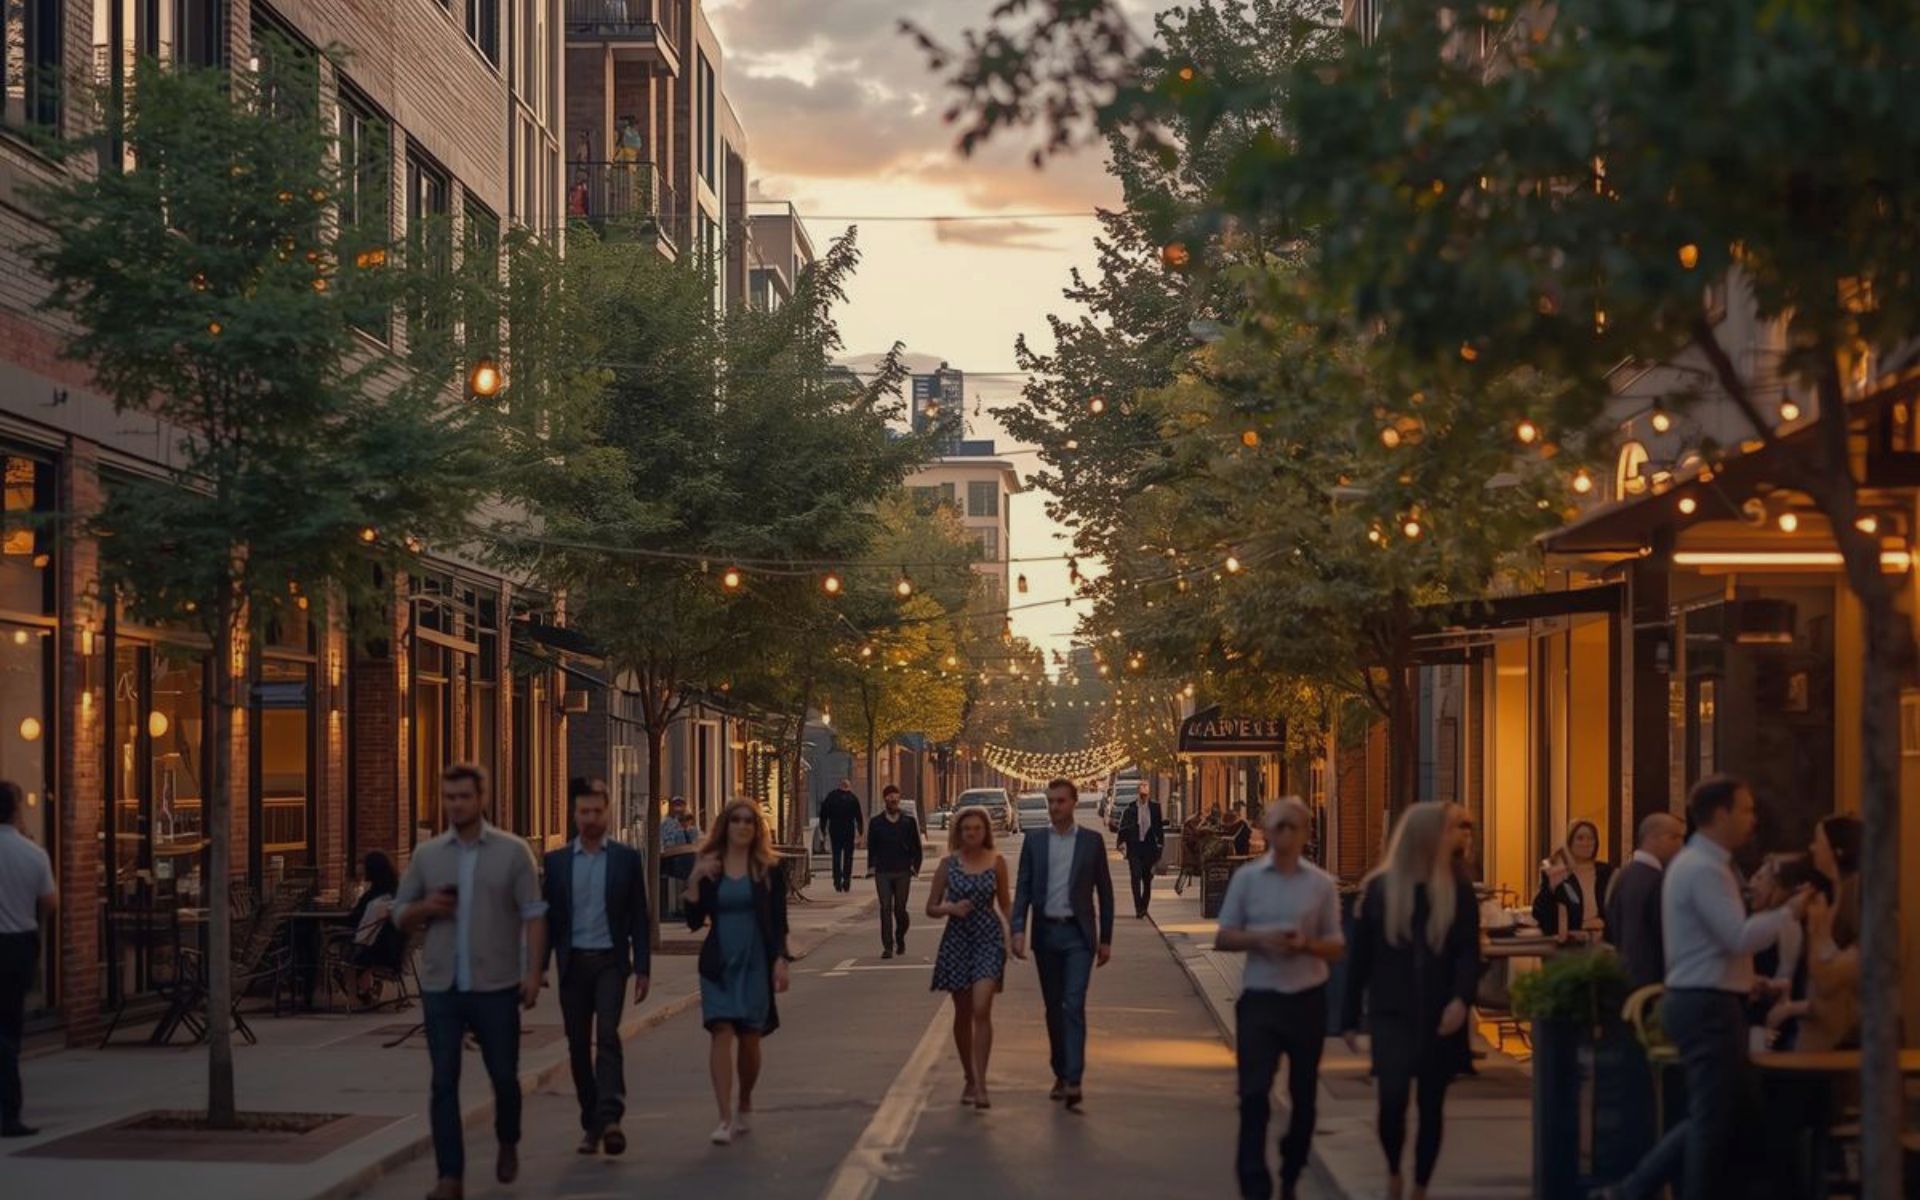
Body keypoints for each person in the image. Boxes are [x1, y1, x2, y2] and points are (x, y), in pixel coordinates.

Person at [1595, 775, 1809, 1200]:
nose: (1753, 819)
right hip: (1706, 1005)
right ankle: (1635, 1190)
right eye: (1746, 809)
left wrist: (1749, 979)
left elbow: (1716, 945)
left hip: (1708, 997)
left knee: (1717, 1114)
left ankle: (1632, 1190)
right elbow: (1737, 935)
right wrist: (1789, 911)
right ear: (1721, 814)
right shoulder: (1704, 868)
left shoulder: (1704, 865)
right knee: (1712, 1120)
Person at [392, 764, 547, 1200]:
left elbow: (534, 916)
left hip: (496, 983)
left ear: (482, 798)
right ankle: (450, 1177)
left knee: (503, 1075)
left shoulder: (513, 853)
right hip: (442, 984)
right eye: (448, 797)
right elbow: (399, 913)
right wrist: (426, 908)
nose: (455, 804)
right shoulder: (428, 855)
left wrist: (533, 972)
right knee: (443, 1081)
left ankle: (508, 1140)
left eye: (463, 796)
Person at [1340, 801, 1480, 1200]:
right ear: (1427, 835)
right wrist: (1349, 1019)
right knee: (1393, 1099)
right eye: (1451, 829)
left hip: (1439, 1013)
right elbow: (1360, 959)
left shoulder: (1457, 886)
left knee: (1432, 1104)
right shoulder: (1382, 889)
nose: (1459, 836)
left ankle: (1419, 1184)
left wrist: (1460, 1000)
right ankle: (1393, 1170)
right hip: (1391, 1012)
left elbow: (1468, 951)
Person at [1216, 797, 1344, 1200]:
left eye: (1293, 827)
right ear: (1266, 831)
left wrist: (1306, 945)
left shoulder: (1320, 884)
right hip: (1260, 999)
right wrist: (1261, 939)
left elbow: (1337, 945)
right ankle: (1255, 1184)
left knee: (1304, 1098)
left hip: (1306, 998)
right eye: (1277, 826)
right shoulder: (1248, 880)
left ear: (1306, 833)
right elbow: (1224, 935)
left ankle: (1291, 1172)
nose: (1284, 834)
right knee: (1253, 1093)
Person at [544, 778, 651, 1157]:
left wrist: (643, 968)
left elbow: (639, 913)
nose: (591, 818)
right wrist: (538, 968)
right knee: (577, 1046)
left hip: (611, 962)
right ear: (573, 815)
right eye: (584, 811)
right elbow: (550, 920)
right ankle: (591, 1122)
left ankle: (611, 1118)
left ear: (608, 812)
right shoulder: (555, 864)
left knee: (607, 1035)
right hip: (573, 965)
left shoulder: (625, 859)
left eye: (597, 811)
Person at [685, 798, 792, 1146]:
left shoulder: (767, 869)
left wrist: (780, 959)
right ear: (725, 826)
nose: (743, 826)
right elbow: (692, 921)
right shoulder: (710, 867)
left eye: (749, 821)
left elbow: (778, 922)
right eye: (736, 820)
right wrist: (694, 880)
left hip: (756, 960)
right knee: (721, 1030)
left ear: (756, 828)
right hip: (718, 961)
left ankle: (745, 1098)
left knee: (749, 1037)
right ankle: (724, 1117)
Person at [1010, 777, 1115, 1110]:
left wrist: (1106, 939)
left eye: (1061, 801)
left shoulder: (1092, 842)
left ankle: (1073, 1078)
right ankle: (1060, 1071)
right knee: (1054, 1008)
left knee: (1073, 1003)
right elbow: (1023, 887)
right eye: (1051, 801)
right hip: (1045, 934)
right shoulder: (1035, 841)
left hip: (1078, 937)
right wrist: (1017, 930)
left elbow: (1106, 893)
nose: (1055, 806)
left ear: (1074, 802)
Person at [927, 806, 1011, 1108]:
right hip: (957, 941)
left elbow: (1005, 904)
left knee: (981, 1007)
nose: (972, 833)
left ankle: (983, 1084)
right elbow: (931, 907)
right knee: (962, 1013)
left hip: (988, 938)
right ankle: (969, 1077)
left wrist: (1015, 935)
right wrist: (950, 908)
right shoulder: (948, 865)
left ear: (985, 831)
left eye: (977, 828)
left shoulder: (997, 862)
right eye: (966, 829)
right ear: (958, 833)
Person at [0, 780, 55, 1138]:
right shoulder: (32, 854)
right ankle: (9, 1113)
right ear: (16, 810)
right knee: (8, 1030)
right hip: (17, 946)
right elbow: (50, 902)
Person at [1605, 812, 1686, 991]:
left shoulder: (1622, 876)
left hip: (1626, 980)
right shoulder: (1657, 880)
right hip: (1653, 984)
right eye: (1674, 837)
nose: (1681, 845)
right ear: (1651, 838)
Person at [1532, 818, 1614, 942]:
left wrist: (1602, 922)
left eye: (1591, 838)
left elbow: (1616, 909)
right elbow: (1540, 914)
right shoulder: (1559, 871)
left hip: (1601, 942)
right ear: (1570, 843)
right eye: (1580, 838)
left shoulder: (1606, 872)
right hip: (1567, 943)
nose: (1586, 843)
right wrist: (1551, 888)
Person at [867, 785, 923, 958]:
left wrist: (915, 866)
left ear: (899, 799)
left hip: (903, 871)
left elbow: (916, 847)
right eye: (889, 797)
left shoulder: (908, 822)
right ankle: (888, 946)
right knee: (885, 908)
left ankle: (900, 936)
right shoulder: (876, 823)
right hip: (883, 871)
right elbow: (872, 847)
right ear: (885, 800)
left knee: (900, 908)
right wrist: (871, 866)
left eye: (895, 797)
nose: (893, 800)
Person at [343, 850, 405, 1007]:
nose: (361, 869)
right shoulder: (395, 891)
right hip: (393, 946)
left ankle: (360, 989)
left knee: (328, 939)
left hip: (373, 948)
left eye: (364, 866)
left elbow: (355, 918)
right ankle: (365, 989)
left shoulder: (375, 896)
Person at [1117, 787, 1166, 918]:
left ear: (1148, 795)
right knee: (1135, 877)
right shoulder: (1130, 809)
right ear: (1138, 795)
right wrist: (1120, 842)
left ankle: (1144, 906)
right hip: (1134, 847)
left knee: (1147, 879)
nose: (1143, 797)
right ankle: (1138, 907)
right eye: (1141, 794)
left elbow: (1159, 829)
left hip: (1149, 848)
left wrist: (1160, 847)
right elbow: (1122, 827)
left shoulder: (1155, 808)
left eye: (1145, 795)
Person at [818, 779, 864, 893]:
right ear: (849, 787)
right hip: (849, 830)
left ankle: (837, 881)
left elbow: (823, 814)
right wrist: (860, 831)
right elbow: (859, 816)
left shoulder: (831, 797)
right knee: (848, 856)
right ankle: (847, 881)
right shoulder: (853, 798)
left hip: (835, 829)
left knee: (836, 856)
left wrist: (823, 829)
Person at [661, 795, 700, 916]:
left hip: (689, 858)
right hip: (673, 858)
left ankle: (691, 907)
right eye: (676, 805)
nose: (678, 808)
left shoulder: (693, 829)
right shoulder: (667, 824)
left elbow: (697, 841)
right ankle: (679, 907)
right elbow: (667, 843)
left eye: (681, 805)